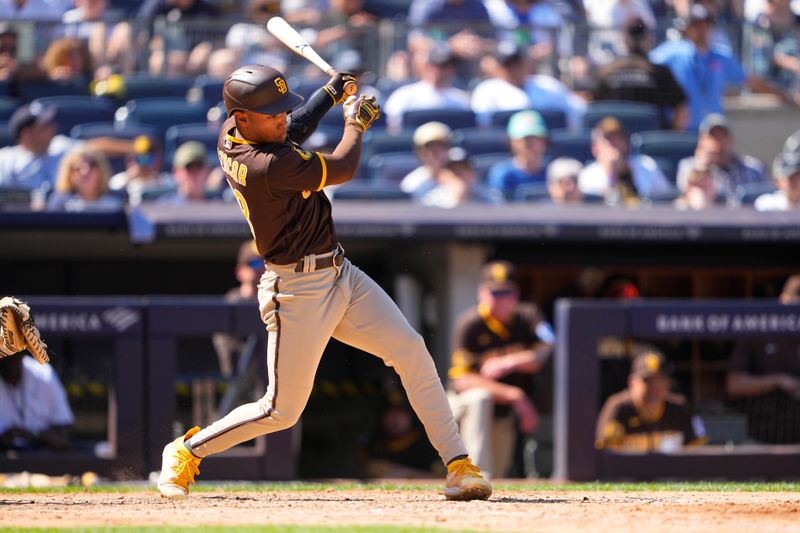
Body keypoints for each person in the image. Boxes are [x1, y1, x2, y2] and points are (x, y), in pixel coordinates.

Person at [156, 64, 492, 501]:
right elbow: (344, 165)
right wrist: (356, 122)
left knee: (411, 351)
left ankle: (458, 464)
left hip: (339, 272)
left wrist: (330, 93)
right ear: (243, 119)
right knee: (280, 410)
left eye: (280, 110)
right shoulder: (266, 166)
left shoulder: (236, 130)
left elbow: (292, 127)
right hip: (295, 290)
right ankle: (185, 450)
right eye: (270, 113)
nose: (280, 118)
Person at [447, 260, 554, 478]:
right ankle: (471, 476)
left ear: (516, 294)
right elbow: (462, 380)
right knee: (480, 398)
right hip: (462, 407)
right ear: (481, 293)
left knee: (497, 475)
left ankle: (479, 482)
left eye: (506, 292)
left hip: (501, 414)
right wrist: (514, 395)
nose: (499, 299)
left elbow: (549, 348)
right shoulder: (469, 324)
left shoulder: (527, 316)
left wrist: (509, 362)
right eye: (494, 292)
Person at [650, 3, 793, 130]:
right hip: (681, 129)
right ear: (686, 28)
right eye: (696, 24)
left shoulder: (720, 55)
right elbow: (647, 67)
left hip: (712, 130)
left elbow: (751, 81)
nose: (702, 29)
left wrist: (785, 96)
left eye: (707, 24)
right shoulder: (672, 52)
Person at [726, 274, 800, 443]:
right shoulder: (759, 329)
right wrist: (778, 381)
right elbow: (734, 385)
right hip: (762, 436)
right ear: (784, 300)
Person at [595, 349, 707, 452]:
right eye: (648, 381)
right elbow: (601, 454)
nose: (655, 388)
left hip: (670, 472)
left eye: (660, 381)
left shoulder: (679, 408)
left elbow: (698, 452)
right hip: (629, 472)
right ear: (632, 382)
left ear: (669, 383)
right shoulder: (618, 407)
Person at [593, 18, 689, 130]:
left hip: (615, 143)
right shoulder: (659, 72)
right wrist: (671, 134)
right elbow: (681, 108)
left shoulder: (605, 72)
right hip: (652, 143)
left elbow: (592, 108)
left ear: (624, 40)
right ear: (648, 39)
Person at [470, 41, 586, 130]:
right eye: (508, 64)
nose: (513, 68)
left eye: (516, 63)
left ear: (525, 63)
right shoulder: (486, 90)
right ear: (497, 67)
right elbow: (483, 126)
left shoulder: (547, 85)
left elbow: (577, 110)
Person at [578, 116, 675, 204]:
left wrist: (627, 172)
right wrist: (612, 172)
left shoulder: (647, 165)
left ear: (627, 144)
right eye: (608, 140)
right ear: (595, 148)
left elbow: (665, 198)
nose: (614, 145)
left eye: (618, 138)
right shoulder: (587, 175)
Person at [675, 114, 767, 201]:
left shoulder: (752, 168)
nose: (717, 141)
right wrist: (704, 165)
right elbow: (687, 195)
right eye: (712, 136)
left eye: (721, 136)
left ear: (730, 139)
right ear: (702, 141)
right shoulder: (689, 166)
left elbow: (764, 198)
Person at [382, 45, 471, 132]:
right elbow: (391, 129)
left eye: (448, 65)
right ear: (427, 66)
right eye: (440, 65)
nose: (444, 70)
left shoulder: (461, 100)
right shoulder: (405, 95)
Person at [0, 352, 73, 451]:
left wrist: (32, 435)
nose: (8, 359)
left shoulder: (43, 374)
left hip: (42, 458)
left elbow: (62, 433)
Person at [485, 109, 548, 200]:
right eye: (525, 140)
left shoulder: (552, 173)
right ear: (512, 142)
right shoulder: (502, 174)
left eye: (535, 139)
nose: (530, 145)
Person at [45, 146, 124, 212]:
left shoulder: (118, 203)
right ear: (69, 175)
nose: (85, 172)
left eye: (92, 165)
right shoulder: (59, 204)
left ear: (101, 170)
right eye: (78, 168)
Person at [420, 147, 503, 208]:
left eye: (463, 170)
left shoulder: (488, 196)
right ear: (443, 176)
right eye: (454, 172)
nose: (459, 176)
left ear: (472, 174)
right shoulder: (433, 201)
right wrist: (456, 199)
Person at [400, 121, 454, 199]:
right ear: (419, 152)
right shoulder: (412, 184)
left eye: (440, 146)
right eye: (429, 147)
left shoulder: (462, 178)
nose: (435, 152)